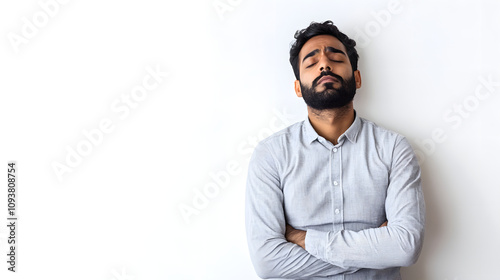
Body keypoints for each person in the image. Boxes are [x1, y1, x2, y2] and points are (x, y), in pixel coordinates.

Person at [245, 20, 425, 279]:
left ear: (357, 78)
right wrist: (376, 251)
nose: (324, 64)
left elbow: (405, 247)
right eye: (311, 62)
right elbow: (267, 262)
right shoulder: (271, 155)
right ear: (298, 87)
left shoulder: (394, 149)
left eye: (335, 58)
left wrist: (303, 238)